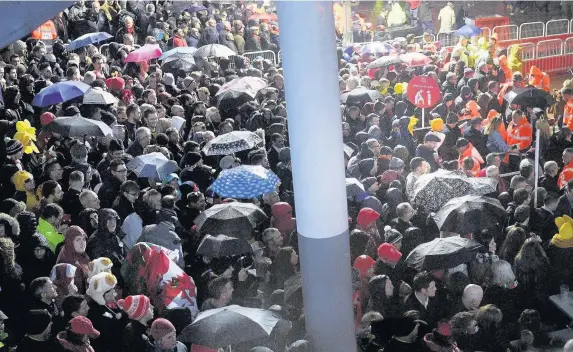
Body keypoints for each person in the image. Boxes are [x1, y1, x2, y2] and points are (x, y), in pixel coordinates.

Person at [57, 226, 90, 294]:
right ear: (70, 242)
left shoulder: (79, 253)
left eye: (84, 239)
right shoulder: (67, 262)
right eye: (78, 240)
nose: (82, 243)